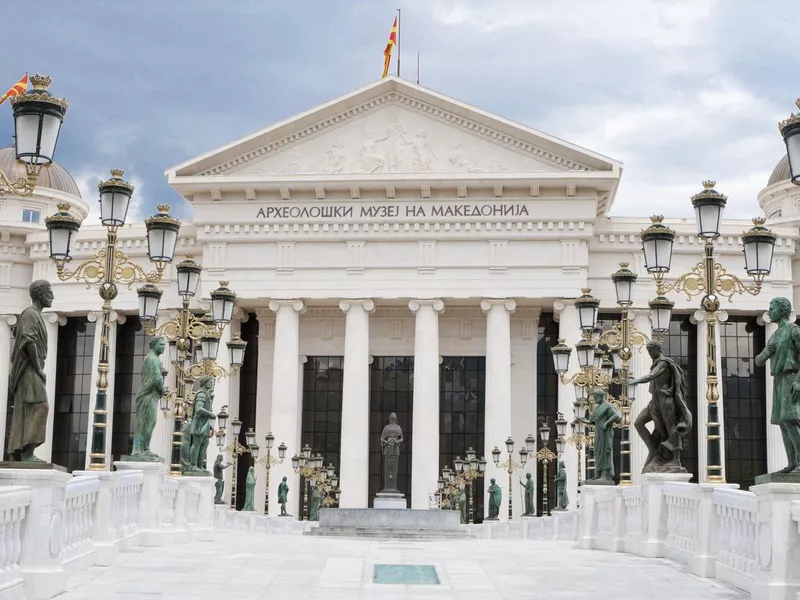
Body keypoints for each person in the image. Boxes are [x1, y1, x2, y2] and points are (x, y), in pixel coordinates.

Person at [628, 340, 693, 473]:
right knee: (638, 423)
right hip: (655, 400)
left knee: (671, 428)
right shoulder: (656, 363)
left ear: (657, 349)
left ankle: (676, 459)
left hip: (666, 399)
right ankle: (653, 450)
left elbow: (652, 376)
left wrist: (635, 381)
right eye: (648, 351)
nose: (650, 354)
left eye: (651, 351)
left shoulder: (663, 362)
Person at [8, 280, 53, 462]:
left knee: (31, 407)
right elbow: (29, 341)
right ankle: (26, 453)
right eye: (49, 293)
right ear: (40, 294)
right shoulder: (30, 314)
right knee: (40, 406)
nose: (52, 297)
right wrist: (38, 369)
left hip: (32, 368)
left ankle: (23, 452)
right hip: (28, 369)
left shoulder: (36, 315)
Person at [755, 297, 800, 473]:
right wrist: (768, 351)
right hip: (779, 379)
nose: (769, 312)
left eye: (772, 308)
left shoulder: (794, 331)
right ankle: (792, 463)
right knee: (783, 422)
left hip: (792, 378)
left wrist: (798, 382)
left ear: (782, 311)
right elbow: (759, 361)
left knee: (791, 420)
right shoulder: (775, 336)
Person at [131, 336, 167, 460]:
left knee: (146, 422)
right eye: (161, 345)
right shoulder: (153, 359)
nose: (163, 347)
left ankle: (142, 449)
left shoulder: (152, 359)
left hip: (149, 394)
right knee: (147, 422)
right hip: (148, 394)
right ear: (154, 345)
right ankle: (139, 450)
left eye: (164, 345)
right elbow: (157, 377)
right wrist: (163, 390)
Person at [590, 388, 622, 482]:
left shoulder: (607, 406)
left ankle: (605, 474)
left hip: (605, 433)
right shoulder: (597, 408)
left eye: (595, 397)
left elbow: (616, 416)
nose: (594, 399)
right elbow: (592, 421)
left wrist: (606, 423)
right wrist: (580, 419)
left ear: (600, 396)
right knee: (598, 452)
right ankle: (598, 473)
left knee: (605, 452)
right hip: (598, 433)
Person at [186, 376, 215, 472]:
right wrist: (210, 413)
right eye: (210, 382)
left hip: (204, 423)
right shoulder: (202, 394)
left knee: (204, 443)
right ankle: (192, 465)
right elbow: (199, 408)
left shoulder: (206, 394)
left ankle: (199, 466)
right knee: (197, 443)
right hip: (198, 423)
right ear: (204, 382)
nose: (212, 384)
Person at [380, 412, 404, 493]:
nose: (392, 419)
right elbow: (382, 438)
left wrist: (396, 441)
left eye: (393, 418)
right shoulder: (386, 428)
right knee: (387, 468)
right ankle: (387, 487)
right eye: (392, 418)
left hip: (395, 450)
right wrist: (387, 442)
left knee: (394, 469)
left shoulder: (398, 428)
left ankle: (393, 487)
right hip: (388, 449)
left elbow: (401, 438)